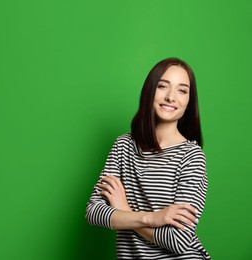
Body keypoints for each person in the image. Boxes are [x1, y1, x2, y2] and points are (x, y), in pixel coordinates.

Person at [85, 57, 211, 259]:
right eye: (163, 86)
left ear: (189, 101)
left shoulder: (191, 156)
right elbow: (94, 212)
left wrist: (124, 210)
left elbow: (178, 241)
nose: (171, 97)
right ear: (149, 91)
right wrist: (151, 218)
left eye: (182, 90)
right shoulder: (123, 146)